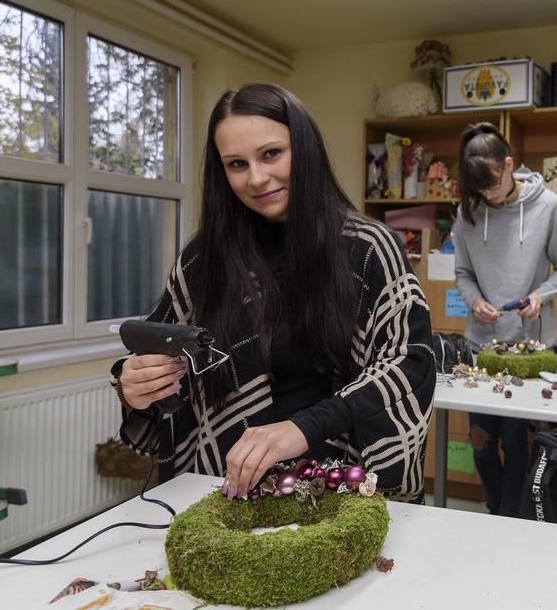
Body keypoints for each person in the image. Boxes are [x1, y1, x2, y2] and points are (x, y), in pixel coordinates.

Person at [110, 84, 435, 502]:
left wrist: (305, 427)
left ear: (305, 148)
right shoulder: (202, 259)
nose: (257, 178)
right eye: (236, 164)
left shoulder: (369, 248)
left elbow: (409, 365)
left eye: (271, 154)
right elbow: (167, 352)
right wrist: (136, 385)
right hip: (228, 493)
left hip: (344, 494)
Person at [451, 122, 557, 516]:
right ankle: (495, 510)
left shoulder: (548, 206)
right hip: (482, 345)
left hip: (529, 346)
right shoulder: (468, 210)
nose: (487, 195)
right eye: (479, 190)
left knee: (516, 442)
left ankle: (510, 519)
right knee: (481, 441)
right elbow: (463, 274)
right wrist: (474, 303)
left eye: (493, 185)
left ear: (509, 165)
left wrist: (540, 295)